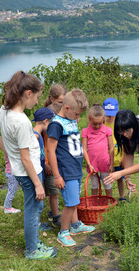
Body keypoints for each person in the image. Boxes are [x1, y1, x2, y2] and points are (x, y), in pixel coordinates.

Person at [0, 70, 57, 260]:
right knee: (33, 211)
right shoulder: (22, 121)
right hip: (29, 173)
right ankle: (32, 251)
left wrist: (9, 153)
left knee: (35, 208)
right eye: (36, 97)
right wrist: (37, 184)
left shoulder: (5, 110)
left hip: (21, 170)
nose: (36, 102)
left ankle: (34, 242)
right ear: (28, 94)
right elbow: (26, 158)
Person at [47, 88, 95, 247]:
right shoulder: (56, 124)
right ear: (67, 108)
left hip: (75, 169)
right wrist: (56, 175)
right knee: (71, 203)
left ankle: (75, 225)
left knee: (74, 200)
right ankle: (64, 231)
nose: (78, 117)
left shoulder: (70, 119)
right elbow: (51, 150)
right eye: (77, 114)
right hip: (65, 172)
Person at [43, 84, 66, 225]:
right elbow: (45, 147)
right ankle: (56, 215)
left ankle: (54, 211)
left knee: (54, 191)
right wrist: (46, 163)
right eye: (60, 102)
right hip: (48, 163)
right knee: (53, 192)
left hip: (55, 162)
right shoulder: (47, 122)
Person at [82, 104, 114, 197]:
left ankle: (109, 201)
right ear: (89, 119)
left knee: (107, 183)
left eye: (100, 123)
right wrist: (89, 164)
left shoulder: (107, 130)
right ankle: (94, 201)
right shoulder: (85, 131)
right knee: (94, 183)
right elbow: (84, 149)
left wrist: (111, 164)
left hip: (105, 162)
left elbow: (111, 148)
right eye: (95, 124)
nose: (97, 126)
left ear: (103, 120)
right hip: (92, 163)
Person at [32, 107, 55, 231]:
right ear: (46, 121)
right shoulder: (35, 136)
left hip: (40, 171)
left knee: (39, 202)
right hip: (36, 173)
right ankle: (36, 225)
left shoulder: (37, 135)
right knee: (37, 202)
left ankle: (38, 223)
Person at [102, 98, 126, 201]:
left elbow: (125, 143)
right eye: (107, 114)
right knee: (107, 180)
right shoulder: (101, 125)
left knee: (120, 179)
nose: (110, 116)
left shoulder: (120, 124)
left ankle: (121, 197)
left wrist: (124, 158)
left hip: (119, 158)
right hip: (106, 160)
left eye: (112, 114)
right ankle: (109, 198)